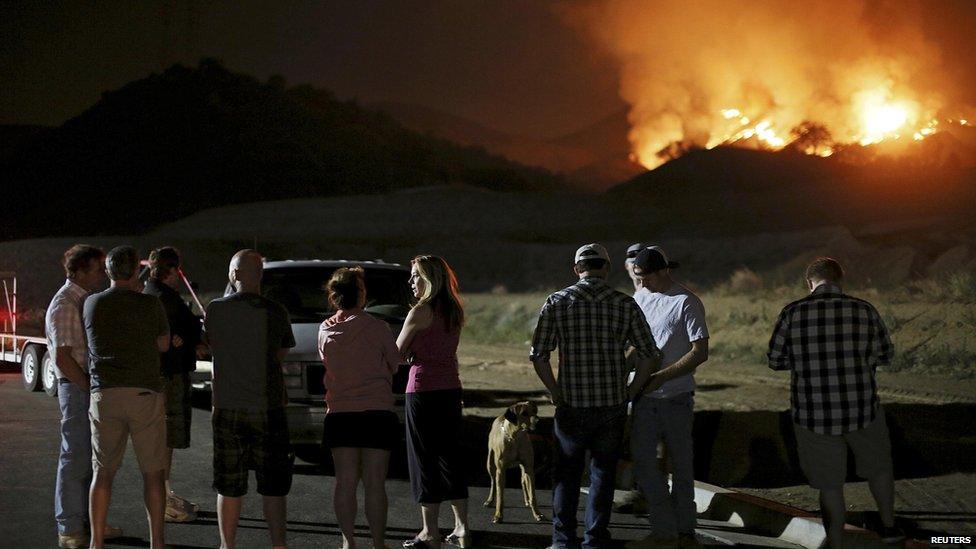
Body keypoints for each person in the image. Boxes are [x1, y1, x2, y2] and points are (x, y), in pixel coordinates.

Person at [531, 243, 662, 549]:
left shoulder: (557, 301)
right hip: (611, 405)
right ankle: (595, 538)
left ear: (577, 269)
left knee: (566, 473)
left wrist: (554, 390)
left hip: (572, 403)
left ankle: (563, 540)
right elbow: (649, 354)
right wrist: (630, 391)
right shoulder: (624, 304)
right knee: (602, 475)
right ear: (606, 268)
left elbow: (539, 355)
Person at [767, 257, 904, 548]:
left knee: (830, 485)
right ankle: (890, 529)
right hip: (862, 409)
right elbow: (885, 355)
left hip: (813, 415)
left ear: (809, 282)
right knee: (879, 469)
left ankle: (837, 542)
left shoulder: (792, 313)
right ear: (840, 280)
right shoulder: (864, 310)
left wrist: (806, 360)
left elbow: (775, 360)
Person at [205, 249, 295, 549]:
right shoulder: (276, 311)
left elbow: (211, 347)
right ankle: (278, 545)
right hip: (268, 405)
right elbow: (281, 353)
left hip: (227, 405)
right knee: (273, 485)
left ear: (234, 274)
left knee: (229, 484)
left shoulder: (216, 310)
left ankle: (227, 545)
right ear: (260, 275)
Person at [84, 246, 171, 549]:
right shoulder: (150, 305)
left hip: (105, 393)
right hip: (143, 392)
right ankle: (156, 542)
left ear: (108, 271)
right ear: (137, 271)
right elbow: (162, 345)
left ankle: (96, 542)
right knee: (153, 473)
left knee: (103, 473)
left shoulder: (91, 303)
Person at [628, 247, 709, 546]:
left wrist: (662, 376)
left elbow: (700, 352)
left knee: (682, 464)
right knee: (645, 463)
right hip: (643, 397)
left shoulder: (686, 302)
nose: (642, 283)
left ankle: (685, 530)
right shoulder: (640, 297)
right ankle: (664, 527)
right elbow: (636, 344)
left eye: (645, 277)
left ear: (663, 271)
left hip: (676, 397)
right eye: (638, 277)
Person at [44, 245, 122, 548]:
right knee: (74, 458)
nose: (102, 274)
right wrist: (89, 387)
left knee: (90, 460)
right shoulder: (65, 304)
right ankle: (69, 528)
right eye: (97, 269)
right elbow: (63, 358)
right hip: (77, 389)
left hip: (85, 386)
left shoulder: (84, 300)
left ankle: (91, 523)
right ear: (78, 271)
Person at [319, 267, 400, 549]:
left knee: (345, 482)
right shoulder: (378, 328)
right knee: (375, 483)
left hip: (340, 413)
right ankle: (378, 543)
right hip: (377, 412)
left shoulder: (325, 330)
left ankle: (348, 540)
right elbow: (395, 362)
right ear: (361, 294)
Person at [397, 255, 469, 549]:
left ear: (428, 279)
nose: (411, 282)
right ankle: (462, 526)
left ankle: (430, 531)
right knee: (450, 456)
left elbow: (397, 352)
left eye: (415, 276)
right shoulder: (454, 309)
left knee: (423, 458)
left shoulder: (420, 311)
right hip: (451, 388)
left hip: (423, 389)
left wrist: (412, 353)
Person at [142, 246, 202, 522]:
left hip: (164, 373)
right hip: (168, 375)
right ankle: (162, 500)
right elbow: (174, 333)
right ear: (170, 269)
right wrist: (181, 338)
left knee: (164, 438)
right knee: (164, 438)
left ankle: (165, 492)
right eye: (176, 269)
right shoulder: (162, 298)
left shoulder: (153, 294)